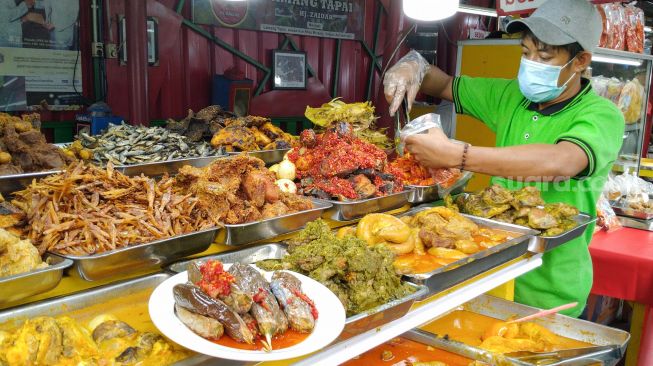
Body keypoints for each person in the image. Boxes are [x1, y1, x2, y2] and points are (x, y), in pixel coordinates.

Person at [383, 0, 624, 317]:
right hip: (491, 272)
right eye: (526, 53)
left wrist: (459, 155)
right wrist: (414, 66)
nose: (532, 63)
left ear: (580, 60)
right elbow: (443, 84)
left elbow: (562, 161)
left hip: (549, 291)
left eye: (545, 55)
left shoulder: (601, 115)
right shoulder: (512, 97)